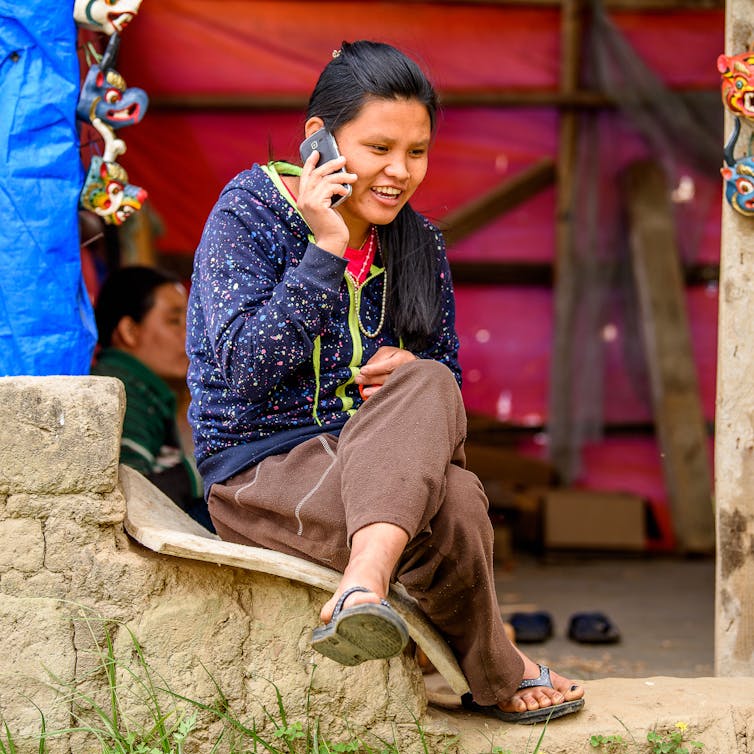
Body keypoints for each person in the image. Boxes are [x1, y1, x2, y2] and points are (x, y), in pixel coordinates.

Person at [186, 40, 584, 723]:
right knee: (455, 500)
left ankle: (360, 587)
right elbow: (246, 369)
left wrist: (411, 375)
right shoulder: (249, 211)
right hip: (261, 474)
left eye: (418, 152)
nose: (400, 172)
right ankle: (498, 667)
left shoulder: (418, 243)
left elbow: (448, 384)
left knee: (428, 381)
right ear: (319, 139)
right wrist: (324, 249)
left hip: (374, 466)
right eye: (378, 149)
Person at [92, 265, 214, 532]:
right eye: (174, 321)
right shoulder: (122, 391)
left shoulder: (148, 391)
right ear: (129, 331)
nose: (190, 335)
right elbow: (128, 499)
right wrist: (198, 471)